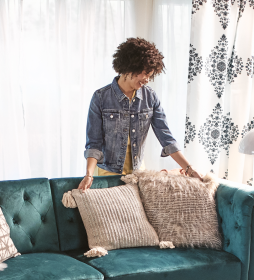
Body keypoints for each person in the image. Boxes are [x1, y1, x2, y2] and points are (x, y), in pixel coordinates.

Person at [79, 37, 200, 192]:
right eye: (145, 74)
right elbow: (94, 143)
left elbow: (166, 138)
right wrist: (89, 175)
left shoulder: (150, 98)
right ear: (130, 67)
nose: (147, 80)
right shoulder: (100, 98)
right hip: (107, 174)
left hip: (137, 174)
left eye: (150, 75)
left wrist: (189, 169)